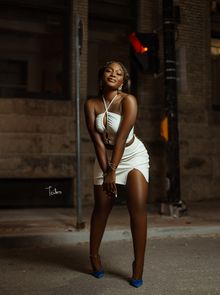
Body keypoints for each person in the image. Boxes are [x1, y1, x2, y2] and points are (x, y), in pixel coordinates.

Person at [84, 61, 150, 288]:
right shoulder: (91, 104)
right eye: (109, 71)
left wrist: (112, 171)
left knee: (138, 207)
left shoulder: (128, 100)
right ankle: (94, 256)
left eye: (119, 73)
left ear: (123, 81)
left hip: (133, 156)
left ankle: (138, 266)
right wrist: (106, 171)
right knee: (102, 208)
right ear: (102, 76)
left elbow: (121, 138)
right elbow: (98, 143)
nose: (114, 74)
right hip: (106, 158)